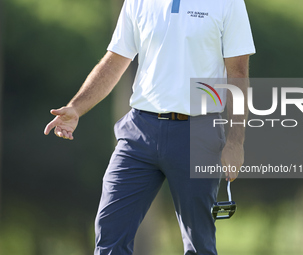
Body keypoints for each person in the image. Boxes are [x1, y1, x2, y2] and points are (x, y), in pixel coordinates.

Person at [44, 0, 255, 254]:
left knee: (199, 243)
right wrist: (76, 108)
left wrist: (235, 141)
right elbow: (114, 61)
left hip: (198, 133)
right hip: (138, 131)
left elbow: (238, 74)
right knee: (110, 233)